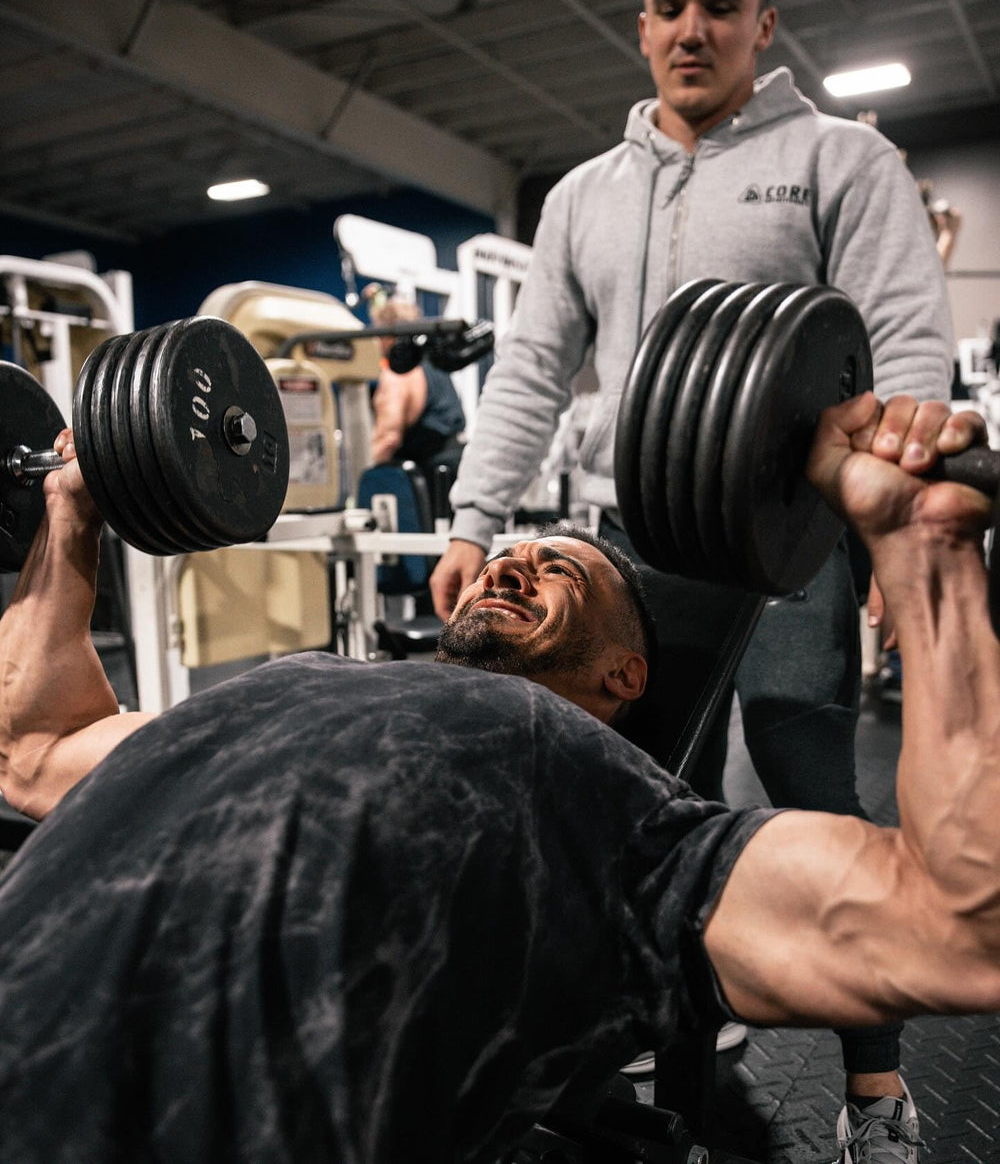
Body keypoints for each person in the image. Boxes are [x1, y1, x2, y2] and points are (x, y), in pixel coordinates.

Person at [0, 396, 997, 1164]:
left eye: (562, 571)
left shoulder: (599, 797)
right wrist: (71, 512)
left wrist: (927, 551)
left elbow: (953, 920)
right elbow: (37, 745)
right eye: (507, 556)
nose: (510, 565)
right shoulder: (293, 679)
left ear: (624, 675)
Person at [428, 0, 955, 1152]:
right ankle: (658, 1058)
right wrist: (473, 516)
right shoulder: (583, 195)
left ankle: (876, 1092)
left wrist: (899, 539)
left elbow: (905, 344)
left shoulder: (837, 159)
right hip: (639, 533)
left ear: (763, 24)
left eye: (721, 5)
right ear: (642, 22)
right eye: (669, 5)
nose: (692, 28)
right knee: (636, 787)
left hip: (788, 541)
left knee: (811, 783)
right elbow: (530, 368)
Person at [366, 284, 466, 482]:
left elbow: (389, 438)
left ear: (387, 335)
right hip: (460, 465)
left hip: (431, 480)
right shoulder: (433, 364)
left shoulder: (399, 372)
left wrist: (366, 479)